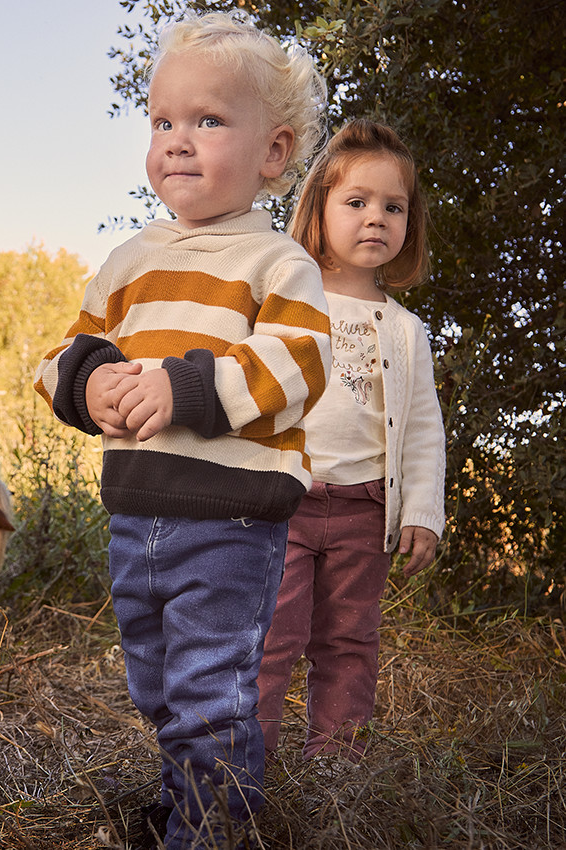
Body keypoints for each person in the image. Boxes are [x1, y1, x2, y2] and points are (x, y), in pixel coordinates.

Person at [34, 12, 329, 847]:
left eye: (208, 121)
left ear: (272, 154)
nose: (178, 141)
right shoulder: (127, 262)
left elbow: (302, 360)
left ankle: (210, 826)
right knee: (156, 684)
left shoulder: (276, 265)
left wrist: (186, 386)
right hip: (135, 513)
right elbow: (59, 355)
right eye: (163, 121)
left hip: (230, 518)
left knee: (209, 686)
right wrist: (89, 384)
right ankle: (188, 793)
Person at [256, 119, 446, 768]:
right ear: (319, 208)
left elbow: (422, 429)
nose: (376, 219)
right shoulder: (285, 305)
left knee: (348, 643)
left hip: (366, 509)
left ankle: (335, 772)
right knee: (269, 639)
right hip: (285, 502)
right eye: (357, 202)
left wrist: (422, 511)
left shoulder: (405, 330)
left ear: (409, 225)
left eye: (393, 207)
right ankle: (240, 767)